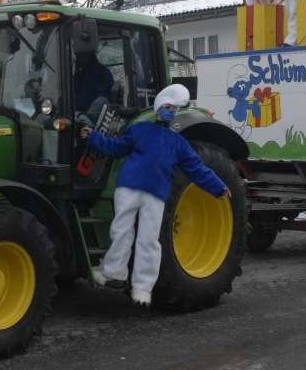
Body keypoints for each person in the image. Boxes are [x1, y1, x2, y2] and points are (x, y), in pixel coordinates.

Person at [81, 84, 230, 306]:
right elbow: (115, 147)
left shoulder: (178, 143)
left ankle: (142, 288)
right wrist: (92, 137)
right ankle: (114, 273)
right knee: (121, 230)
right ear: (159, 107)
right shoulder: (140, 130)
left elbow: (197, 169)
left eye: (174, 109)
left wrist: (219, 187)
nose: (171, 112)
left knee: (149, 239)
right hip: (129, 188)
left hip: (155, 195)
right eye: (168, 107)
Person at [74, 50, 113, 119]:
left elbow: (104, 93)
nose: (78, 60)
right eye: (78, 57)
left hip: (95, 113)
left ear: (89, 56)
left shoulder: (103, 72)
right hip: (77, 113)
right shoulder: (78, 75)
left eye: (80, 57)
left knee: (101, 100)